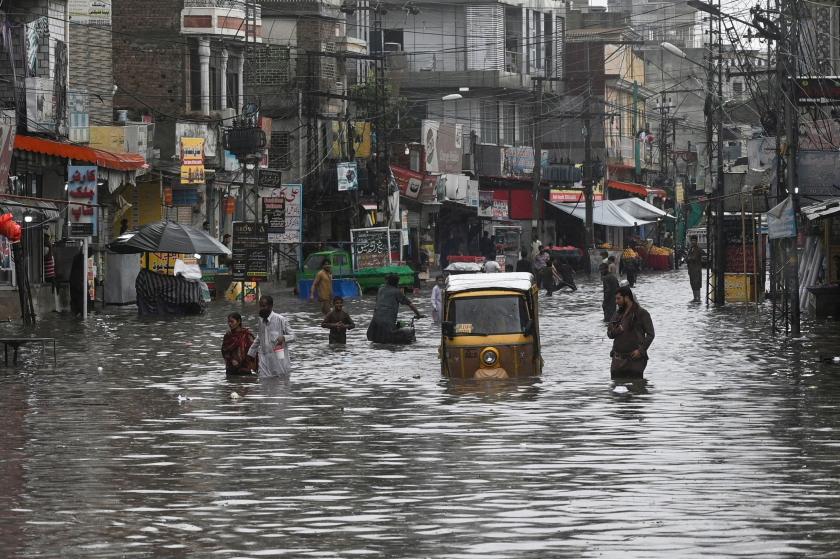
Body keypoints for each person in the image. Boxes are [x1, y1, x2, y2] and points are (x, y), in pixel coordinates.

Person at [607, 286, 655, 378]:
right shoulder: (617, 314)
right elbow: (609, 333)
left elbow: (650, 334)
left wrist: (641, 351)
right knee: (616, 389)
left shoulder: (641, 313)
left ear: (627, 297)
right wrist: (617, 330)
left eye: (618, 298)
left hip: (635, 362)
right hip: (617, 361)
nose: (616, 302)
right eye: (615, 299)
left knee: (636, 389)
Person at [248, 295, 296, 377]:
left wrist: (284, 338)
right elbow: (259, 337)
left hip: (279, 361)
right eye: (260, 306)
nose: (261, 308)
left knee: (280, 386)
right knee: (263, 386)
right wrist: (250, 353)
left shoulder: (280, 320)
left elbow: (294, 337)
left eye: (264, 306)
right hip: (264, 362)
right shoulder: (261, 320)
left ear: (270, 306)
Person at [367, 274, 423, 344]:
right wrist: (418, 315)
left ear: (387, 282)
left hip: (374, 322)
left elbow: (377, 302)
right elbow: (410, 304)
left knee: (378, 343)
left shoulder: (381, 289)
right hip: (388, 322)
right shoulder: (397, 292)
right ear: (397, 282)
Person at [686, 235, 704, 303]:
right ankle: (695, 298)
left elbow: (694, 258)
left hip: (696, 270)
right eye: (692, 240)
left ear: (696, 241)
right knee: (692, 284)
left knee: (697, 284)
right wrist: (688, 258)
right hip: (691, 270)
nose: (693, 242)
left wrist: (689, 258)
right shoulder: (691, 249)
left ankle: (698, 298)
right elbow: (687, 258)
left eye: (694, 240)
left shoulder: (698, 249)